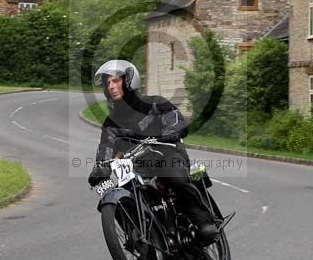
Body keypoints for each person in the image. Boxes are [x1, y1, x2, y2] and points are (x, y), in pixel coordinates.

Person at [87, 59, 219, 242]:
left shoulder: (155, 103)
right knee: (114, 192)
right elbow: (106, 148)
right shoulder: (111, 124)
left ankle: (205, 222)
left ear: (129, 81)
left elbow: (176, 121)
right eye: (107, 82)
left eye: (116, 81)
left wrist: (169, 133)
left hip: (168, 153)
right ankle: (138, 238)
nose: (111, 86)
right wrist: (101, 168)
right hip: (139, 166)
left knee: (175, 179)